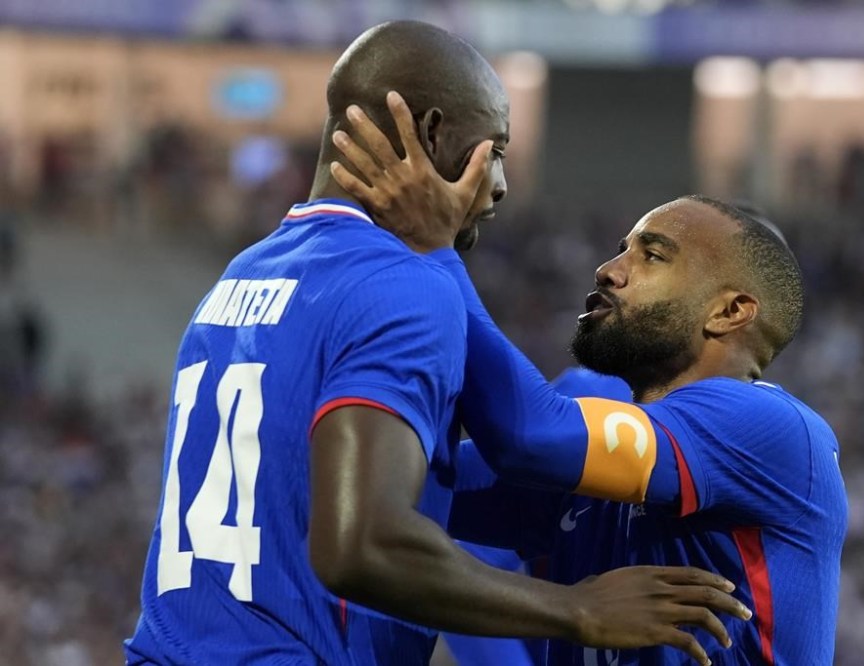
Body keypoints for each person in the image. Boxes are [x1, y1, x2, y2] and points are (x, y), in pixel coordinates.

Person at [125, 21, 752, 666]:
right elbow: (364, 546)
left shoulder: (243, 273)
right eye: (495, 149)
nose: (500, 185)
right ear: (428, 135)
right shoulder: (404, 283)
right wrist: (579, 609)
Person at [329, 95, 849, 665]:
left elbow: (529, 435)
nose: (609, 270)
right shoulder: (595, 479)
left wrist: (432, 248)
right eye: (620, 248)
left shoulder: (772, 432)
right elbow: (402, 487)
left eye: (652, 256)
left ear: (729, 312)